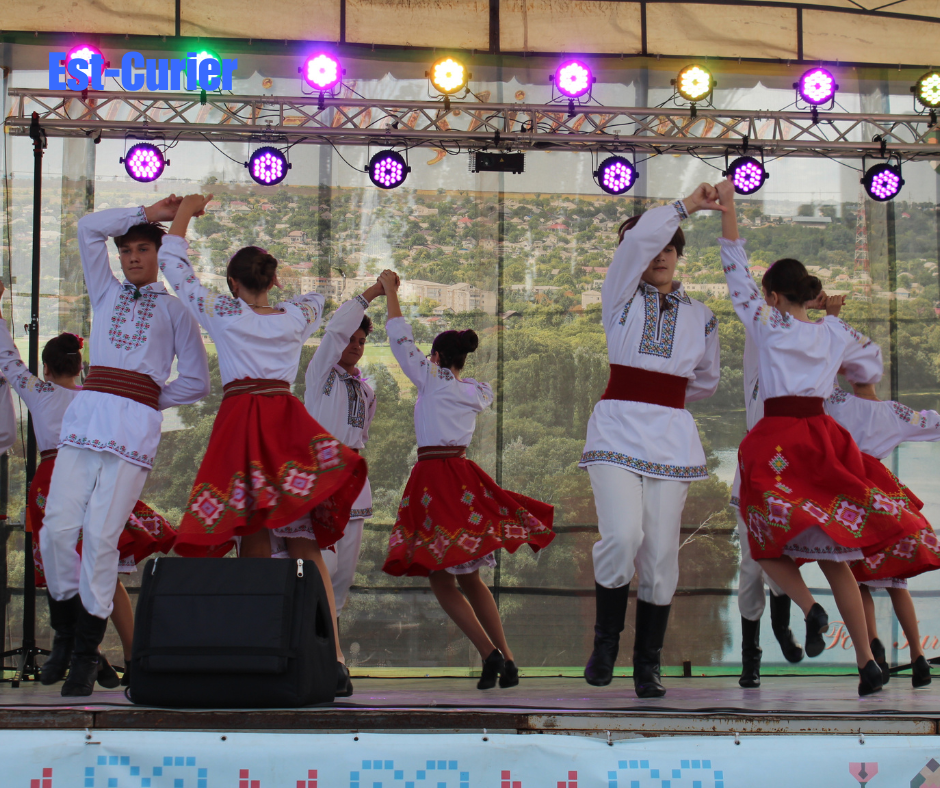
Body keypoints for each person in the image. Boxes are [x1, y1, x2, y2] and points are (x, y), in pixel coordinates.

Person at [716, 176, 928, 696]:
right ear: (809, 293)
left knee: (763, 542)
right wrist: (857, 378)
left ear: (772, 295)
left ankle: (809, 609)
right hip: (822, 439)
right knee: (838, 559)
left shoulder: (767, 322)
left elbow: (735, 270)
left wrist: (728, 208)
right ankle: (867, 664)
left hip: (776, 439)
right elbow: (869, 359)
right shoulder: (833, 331)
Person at [163, 194, 367, 698]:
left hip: (242, 425)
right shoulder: (295, 316)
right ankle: (334, 658)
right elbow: (319, 300)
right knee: (304, 541)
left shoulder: (223, 311)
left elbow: (175, 268)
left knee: (251, 535)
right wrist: (284, 289)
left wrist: (185, 213)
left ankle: (262, 651)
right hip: (285, 425)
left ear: (233, 283)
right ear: (272, 281)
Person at [39, 197, 210, 697]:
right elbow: (87, 228)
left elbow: (197, 382)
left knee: (100, 538)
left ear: (158, 254)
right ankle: (66, 634)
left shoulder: (177, 311)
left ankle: (86, 654)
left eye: (143, 249)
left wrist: (145, 395)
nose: (133, 257)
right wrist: (149, 211)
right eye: (127, 251)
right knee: (56, 529)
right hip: (87, 420)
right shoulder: (105, 290)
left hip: (131, 429)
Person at [579, 186, 722, 699]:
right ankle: (605, 644)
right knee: (622, 536)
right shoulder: (619, 295)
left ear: (679, 254)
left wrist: (667, 396)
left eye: (669, 247)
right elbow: (638, 243)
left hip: (670, 437)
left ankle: (648, 664)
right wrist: (687, 205)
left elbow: (706, 380)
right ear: (632, 256)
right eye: (649, 247)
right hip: (616, 428)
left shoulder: (702, 316)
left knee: (661, 556)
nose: (659, 255)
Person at [380, 270, 555, 690]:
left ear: (436, 357)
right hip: (462, 477)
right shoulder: (475, 391)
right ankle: (507, 659)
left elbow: (400, 339)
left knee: (441, 578)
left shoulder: (431, 380)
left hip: (433, 480)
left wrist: (389, 292)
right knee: (470, 578)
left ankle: (489, 653)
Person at [0, 288, 176, 686]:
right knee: (102, 570)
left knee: (68, 569)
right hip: (100, 476)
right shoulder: (99, 397)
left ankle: (89, 655)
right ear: (81, 367)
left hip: (56, 480)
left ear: (46, 368)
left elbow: (9, 362)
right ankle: (128, 657)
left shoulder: (41, 392)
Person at [823, 319, 940, 688]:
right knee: (895, 582)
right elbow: (933, 423)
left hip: (851, 496)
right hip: (885, 497)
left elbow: (819, 377)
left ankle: (873, 653)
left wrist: (830, 320)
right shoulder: (895, 412)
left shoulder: (835, 401)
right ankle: (919, 657)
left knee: (857, 579)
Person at [299, 287, 383, 615]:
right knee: (323, 564)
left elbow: (362, 436)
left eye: (361, 341)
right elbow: (334, 331)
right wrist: (372, 293)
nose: (355, 346)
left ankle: (331, 638)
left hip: (353, 480)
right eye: (350, 339)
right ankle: (306, 630)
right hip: (321, 475)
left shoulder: (366, 392)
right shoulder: (321, 374)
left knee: (344, 574)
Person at [733, 323, 804, 689]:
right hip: (753, 471)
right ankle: (751, 655)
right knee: (751, 563)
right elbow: (754, 317)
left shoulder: (806, 370)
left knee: (782, 556)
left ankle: (780, 626)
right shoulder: (756, 365)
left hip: (789, 474)